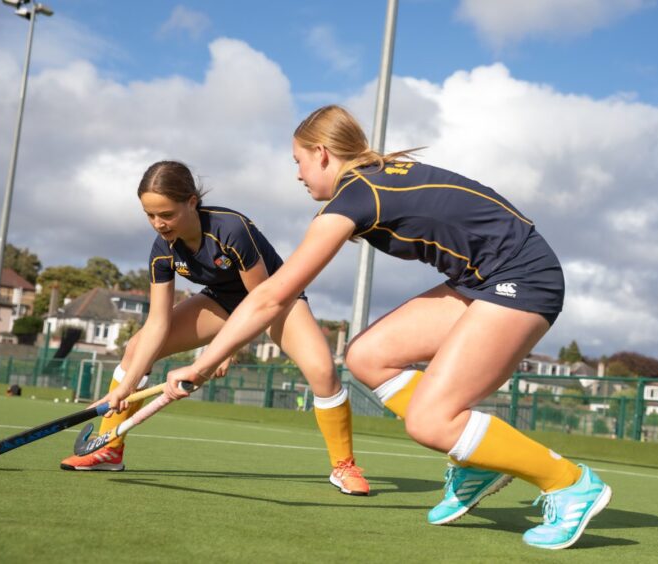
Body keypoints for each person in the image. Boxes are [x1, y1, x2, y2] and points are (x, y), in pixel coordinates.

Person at [164, 106, 612, 549]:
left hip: (523, 278)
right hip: (480, 280)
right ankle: (477, 460)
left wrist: (205, 360)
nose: (298, 174)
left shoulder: (357, 196)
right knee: (367, 356)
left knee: (432, 421)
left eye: (298, 161)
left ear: (321, 153)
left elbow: (271, 296)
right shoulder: (373, 178)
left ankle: (569, 483)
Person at [59, 160, 369, 496]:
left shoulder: (230, 230)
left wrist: (225, 349)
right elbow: (158, 323)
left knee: (323, 370)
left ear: (191, 201)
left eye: (166, 214)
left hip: (277, 298)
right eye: (150, 215)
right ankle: (109, 448)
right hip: (220, 302)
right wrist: (126, 386)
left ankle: (344, 466)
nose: (158, 224)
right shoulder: (163, 249)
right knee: (136, 349)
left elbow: (261, 302)